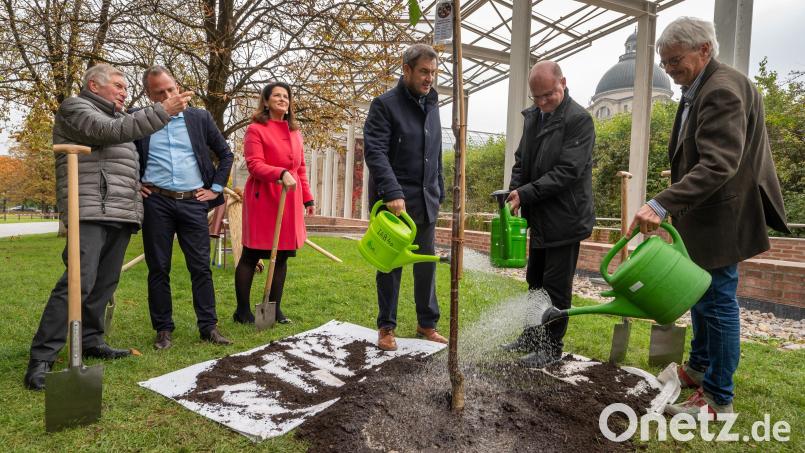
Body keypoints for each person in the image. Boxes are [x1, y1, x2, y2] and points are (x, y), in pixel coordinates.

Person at [629, 17, 789, 416]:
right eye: (664, 63)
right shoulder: (699, 86)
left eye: (674, 60)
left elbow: (719, 165)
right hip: (706, 215)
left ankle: (718, 398)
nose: (669, 69)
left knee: (717, 302)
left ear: (704, 50)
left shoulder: (721, 90)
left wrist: (661, 202)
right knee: (699, 295)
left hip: (722, 217)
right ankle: (698, 370)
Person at [24, 64, 192, 390]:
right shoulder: (76, 108)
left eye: (126, 88)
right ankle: (41, 359)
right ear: (94, 85)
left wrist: (136, 187)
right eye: (118, 85)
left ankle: (91, 340)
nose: (124, 92)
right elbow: (105, 134)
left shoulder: (121, 119)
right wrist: (162, 111)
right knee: (77, 281)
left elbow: (121, 156)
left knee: (104, 283)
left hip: (119, 211)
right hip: (87, 208)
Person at [502, 61, 595, 368]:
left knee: (555, 288)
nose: (542, 103)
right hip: (540, 216)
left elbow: (567, 171)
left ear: (563, 84)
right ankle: (531, 337)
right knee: (535, 281)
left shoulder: (579, 120)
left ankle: (552, 347)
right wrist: (516, 190)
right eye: (536, 97)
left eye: (548, 95)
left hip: (565, 218)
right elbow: (521, 160)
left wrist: (526, 193)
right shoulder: (534, 118)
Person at [135, 66, 234, 349]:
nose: (168, 95)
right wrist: (134, 182)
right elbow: (123, 156)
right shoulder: (140, 121)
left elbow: (226, 154)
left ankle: (209, 327)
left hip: (193, 202)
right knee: (158, 267)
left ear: (178, 87)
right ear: (148, 94)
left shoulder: (199, 117)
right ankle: (163, 330)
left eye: (171, 89)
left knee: (201, 267)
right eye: (160, 92)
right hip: (156, 202)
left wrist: (214, 188)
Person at [363, 44, 448, 351]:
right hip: (395, 204)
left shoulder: (433, 106)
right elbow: (375, 152)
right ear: (407, 69)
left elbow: (436, 153)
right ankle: (386, 328)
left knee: (426, 263)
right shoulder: (385, 105)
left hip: (427, 201)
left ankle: (427, 323)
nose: (429, 78)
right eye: (424, 71)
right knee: (390, 266)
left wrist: (439, 189)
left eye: (434, 72)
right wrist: (392, 192)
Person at [233, 81, 314, 324]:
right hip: (263, 199)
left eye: (286, 96)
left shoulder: (295, 132)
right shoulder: (256, 130)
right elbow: (254, 164)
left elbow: (299, 167)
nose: (282, 99)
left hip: (289, 201)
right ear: (266, 102)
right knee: (251, 254)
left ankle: (274, 309)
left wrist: (307, 198)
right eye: (276, 96)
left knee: (282, 257)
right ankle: (242, 311)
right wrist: (279, 173)